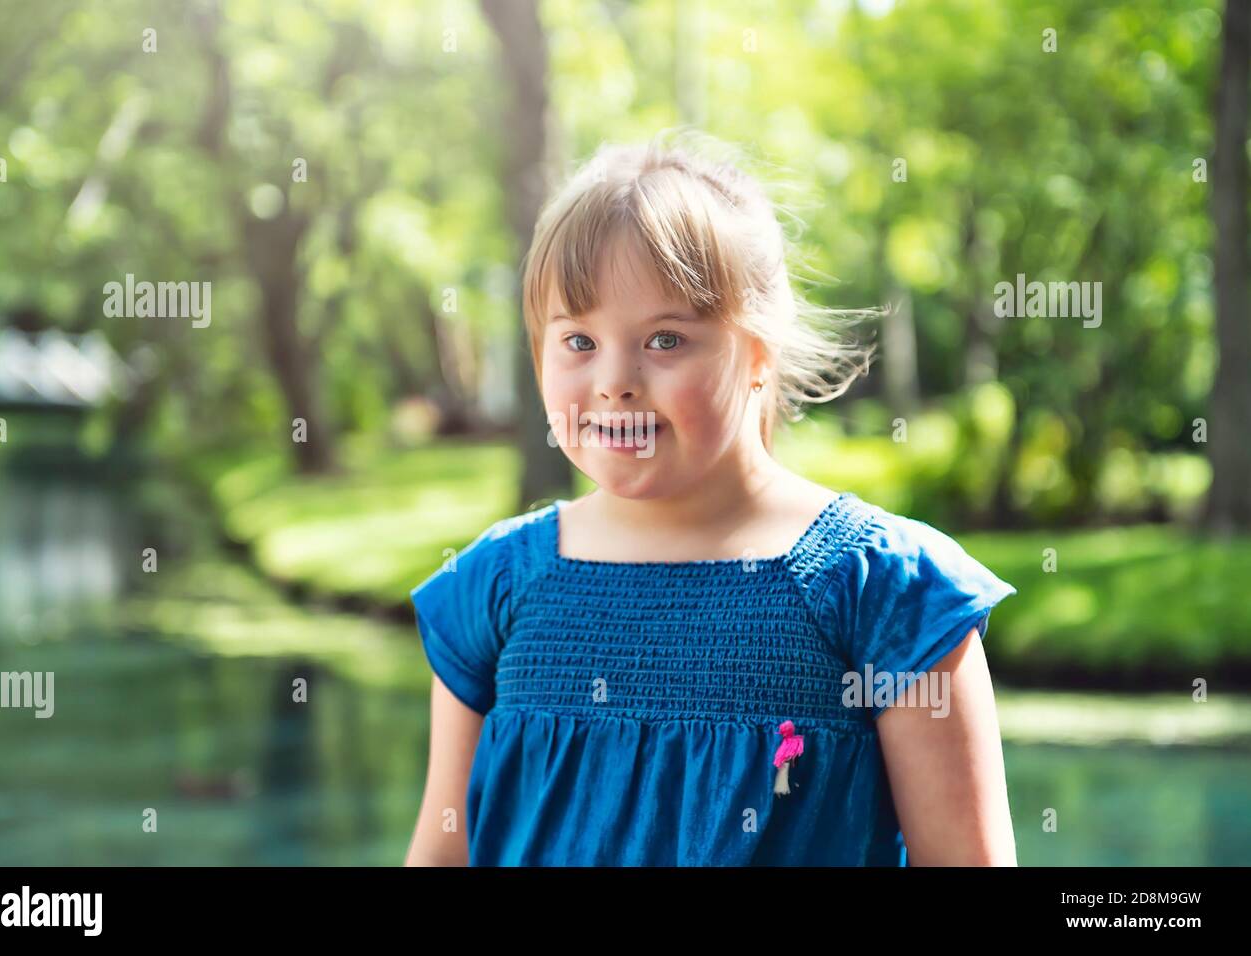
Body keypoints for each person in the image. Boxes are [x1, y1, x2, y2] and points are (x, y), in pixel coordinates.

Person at [404, 130, 1018, 866]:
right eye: (578, 341)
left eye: (665, 340)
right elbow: (443, 850)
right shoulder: (492, 587)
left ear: (758, 352)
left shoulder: (887, 592)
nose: (614, 380)